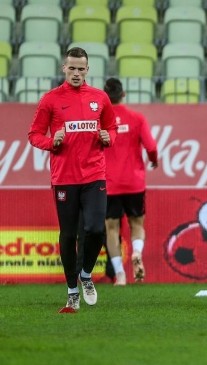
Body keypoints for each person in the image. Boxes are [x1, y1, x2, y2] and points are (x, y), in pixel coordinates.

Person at [27, 47, 117, 313]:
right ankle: (72, 290)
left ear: (88, 70)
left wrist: (108, 137)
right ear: (63, 68)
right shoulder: (51, 100)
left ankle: (86, 274)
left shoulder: (100, 98)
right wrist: (51, 142)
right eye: (72, 68)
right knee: (67, 235)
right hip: (64, 178)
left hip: (94, 174)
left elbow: (111, 127)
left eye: (81, 69)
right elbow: (34, 134)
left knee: (96, 229)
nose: (77, 73)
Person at [102, 78, 159, 286]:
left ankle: (120, 275)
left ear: (105, 97)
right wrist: (153, 161)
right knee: (137, 224)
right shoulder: (137, 118)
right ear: (123, 94)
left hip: (109, 183)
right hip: (134, 182)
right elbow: (151, 147)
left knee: (112, 229)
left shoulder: (99, 120)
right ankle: (136, 252)